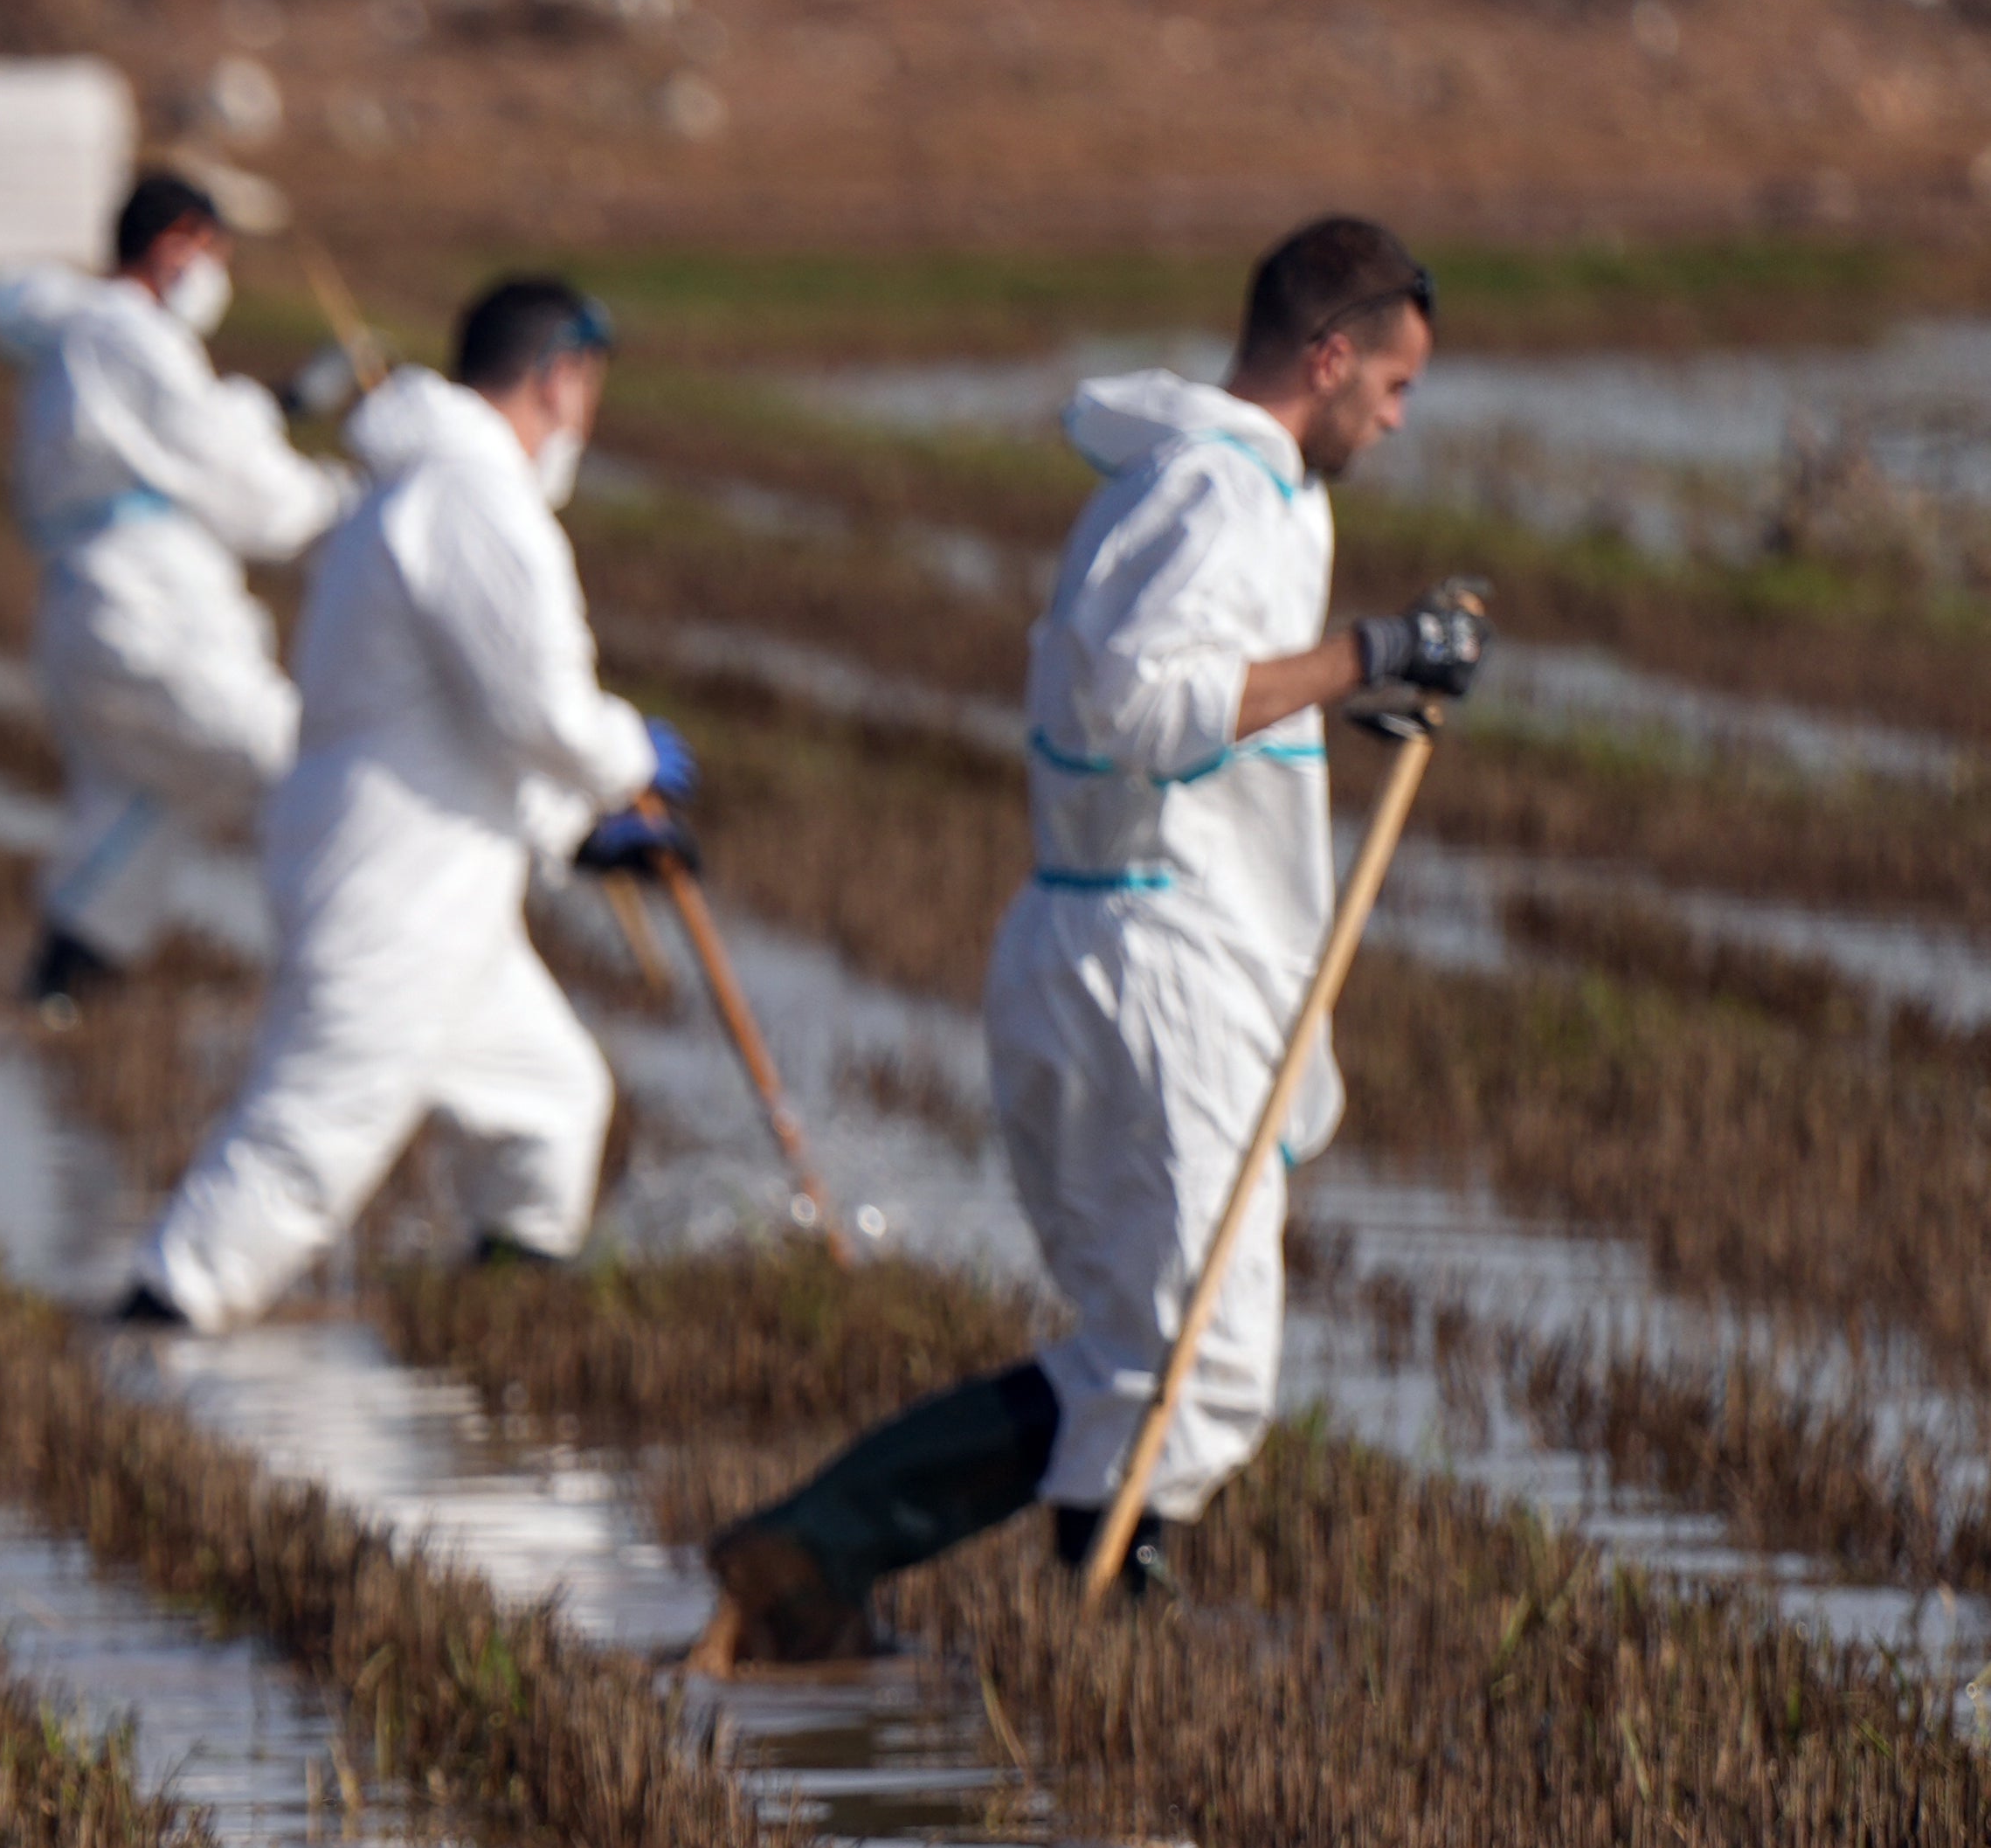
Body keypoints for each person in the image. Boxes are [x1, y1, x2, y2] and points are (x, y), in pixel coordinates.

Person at [695, 220, 1481, 1656]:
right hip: (1151, 960)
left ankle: (827, 1555)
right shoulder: (1218, 495)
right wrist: (1369, 655)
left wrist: (1334, 690)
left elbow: (1197, 691)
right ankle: (1073, 1626)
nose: (1399, 414)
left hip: (1112, 943)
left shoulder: (1217, 487)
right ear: (1327, 357)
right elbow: (1132, 702)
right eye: (1394, 383)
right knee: (1200, 1361)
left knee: (1153, 1348)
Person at [115, 278, 678, 1331]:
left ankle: (504, 1325)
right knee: (305, 1144)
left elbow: (462, 723)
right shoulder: (470, 499)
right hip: (397, 892)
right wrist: (632, 758)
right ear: (561, 379)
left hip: (439, 884)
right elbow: (540, 708)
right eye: (590, 388)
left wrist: (582, 832)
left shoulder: (423, 493)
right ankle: (150, 1335)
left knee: (553, 1102)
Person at [0, 168, 347, 1018]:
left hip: (90, 611)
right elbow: (229, 472)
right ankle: (346, 988)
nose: (216, 276)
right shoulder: (134, 337)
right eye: (214, 253)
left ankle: (58, 999)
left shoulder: (81, 337)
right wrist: (341, 499)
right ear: (176, 243)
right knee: (308, 771)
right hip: (146, 611)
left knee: (141, 809)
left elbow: (190, 430)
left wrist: (286, 403)